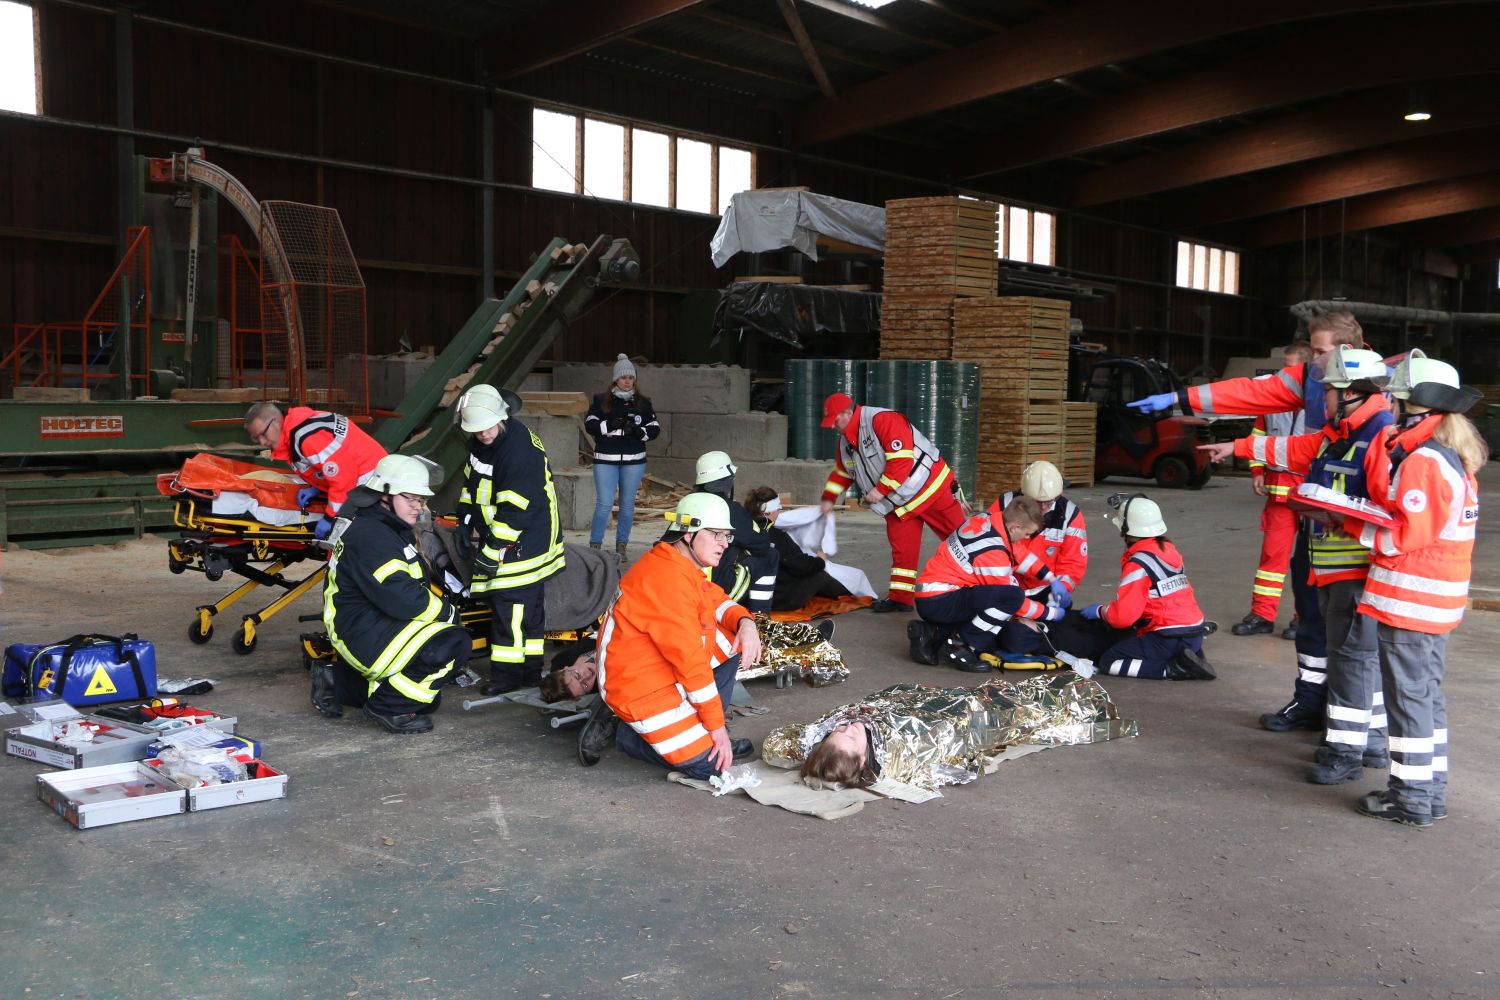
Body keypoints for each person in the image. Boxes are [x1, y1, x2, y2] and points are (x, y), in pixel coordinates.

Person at [1128, 311, 1365, 727]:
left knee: (1351, 633)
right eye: (1312, 350)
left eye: (1321, 352)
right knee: (1311, 617)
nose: (1314, 361)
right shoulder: (1312, 379)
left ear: (1352, 351)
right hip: (1317, 515)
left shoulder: (1376, 390)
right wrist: (1180, 400)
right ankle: (1311, 701)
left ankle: (1350, 720)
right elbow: (1246, 393)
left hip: (1354, 530)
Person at [1201, 347, 1394, 782]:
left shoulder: (1380, 436)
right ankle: (1373, 742)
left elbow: (1389, 510)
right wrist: (1236, 446)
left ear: (1352, 393)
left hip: (1357, 569)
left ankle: (1346, 751)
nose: (1320, 397)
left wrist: (1335, 510)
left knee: (1351, 659)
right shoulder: (1339, 432)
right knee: (1356, 657)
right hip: (1332, 567)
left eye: (1327, 390)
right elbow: (1291, 448)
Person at [1350, 352, 1482, 828]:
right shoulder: (1452, 457)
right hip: (1437, 602)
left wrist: (1350, 524)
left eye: (1400, 400)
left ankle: (1409, 799)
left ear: (1420, 409)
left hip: (1411, 604)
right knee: (1425, 697)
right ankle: (1430, 793)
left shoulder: (1424, 461)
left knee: (1407, 702)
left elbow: (1407, 536)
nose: (1393, 407)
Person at [580, 493, 764, 776]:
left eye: (727, 536)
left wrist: (746, 623)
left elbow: (715, 599)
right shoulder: (667, 581)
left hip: (654, 668)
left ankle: (693, 730)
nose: (725, 544)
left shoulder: (677, 563)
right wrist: (716, 728)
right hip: (639, 687)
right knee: (712, 766)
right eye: (716, 534)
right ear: (688, 535)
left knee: (732, 637)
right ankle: (627, 735)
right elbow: (690, 666)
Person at [766, 674, 1135, 793]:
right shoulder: (895, 756)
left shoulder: (833, 734)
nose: (846, 727)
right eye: (849, 738)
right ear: (863, 759)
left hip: (917, 701)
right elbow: (952, 760)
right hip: (956, 722)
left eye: (839, 732)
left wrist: (813, 753)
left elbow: (776, 743)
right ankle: (1085, 696)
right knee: (1016, 708)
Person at [317, 455, 471, 735]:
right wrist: (448, 613)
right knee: (452, 644)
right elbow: (403, 598)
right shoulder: (373, 536)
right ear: (384, 496)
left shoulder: (382, 528)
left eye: (421, 499)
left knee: (427, 698)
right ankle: (387, 708)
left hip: (367, 623)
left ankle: (336, 682)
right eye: (410, 498)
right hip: (361, 630)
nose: (418, 506)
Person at [453, 384, 565, 696]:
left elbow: (515, 513)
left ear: (501, 417)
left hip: (525, 539)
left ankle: (507, 676)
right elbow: (472, 483)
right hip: (520, 535)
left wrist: (489, 554)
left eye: (485, 428)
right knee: (527, 611)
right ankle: (530, 672)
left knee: (510, 608)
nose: (481, 435)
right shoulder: (485, 443)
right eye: (475, 430)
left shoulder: (519, 453)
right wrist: (464, 520)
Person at [818, 392, 966, 612]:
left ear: (848, 413)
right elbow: (843, 472)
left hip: (931, 491)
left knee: (962, 542)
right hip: (899, 505)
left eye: (835, 421)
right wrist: (828, 499)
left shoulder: (882, 419)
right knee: (902, 553)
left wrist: (880, 490)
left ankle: (984, 583)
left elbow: (901, 461)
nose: (832, 427)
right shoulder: (845, 442)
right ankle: (901, 599)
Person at [1049, 493, 1216, 681]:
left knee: (1110, 661)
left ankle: (1174, 668)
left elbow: (1123, 618)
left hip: (1168, 637)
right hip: (1193, 633)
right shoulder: (1167, 549)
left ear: (1125, 530)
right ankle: (1190, 656)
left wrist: (1100, 611)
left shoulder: (1138, 564)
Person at [911, 495, 1065, 671]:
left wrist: (1050, 578)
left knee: (990, 622)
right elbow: (1012, 601)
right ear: (1015, 527)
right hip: (940, 600)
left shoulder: (989, 520)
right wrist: (1050, 614)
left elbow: (1018, 552)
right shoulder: (993, 552)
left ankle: (930, 634)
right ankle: (962, 646)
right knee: (1010, 598)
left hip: (934, 594)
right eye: (1027, 533)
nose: (1026, 538)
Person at [1233, 341, 1313, 638]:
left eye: (1289, 367)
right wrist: (1256, 469)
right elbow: (1258, 435)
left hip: (1309, 493)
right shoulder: (1273, 398)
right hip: (1279, 493)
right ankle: (1261, 615)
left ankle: (1303, 618)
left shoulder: (1321, 400)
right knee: (1271, 560)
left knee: (1308, 560)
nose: (1284, 373)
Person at [244, 400, 387, 540]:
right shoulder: (296, 429)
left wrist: (330, 517)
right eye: (257, 439)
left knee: (353, 540)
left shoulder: (307, 438)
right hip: (369, 473)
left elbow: (344, 476)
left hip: (370, 479)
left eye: (263, 434)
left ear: (275, 421)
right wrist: (316, 487)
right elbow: (328, 465)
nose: (262, 442)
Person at [990, 460, 1088, 654]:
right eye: (1036, 502)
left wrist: (1061, 591)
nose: (1043, 507)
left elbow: (1073, 564)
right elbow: (991, 550)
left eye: (1048, 502)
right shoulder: (1003, 505)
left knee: (1051, 629)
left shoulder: (1069, 515)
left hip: (1044, 591)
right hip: (1006, 587)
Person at [585, 354, 660, 563]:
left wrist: (638, 431)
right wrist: (610, 425)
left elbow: (655, 429)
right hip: (605, 459)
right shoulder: (601, 401)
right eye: (623, 377)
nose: (627, 381)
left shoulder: (643, 403)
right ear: (615, 379)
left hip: (633, 460)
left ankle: (622, 546)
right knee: (604, 504)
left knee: (627, 505)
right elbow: (589, 424)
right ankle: (596, 546)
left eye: (630, 377)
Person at [693, 451, 779, 613]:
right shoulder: (730, 510)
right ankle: (760, 618)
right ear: (727, 481)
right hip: (711, 590)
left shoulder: (686, 504)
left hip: (684, 584)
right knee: (770, 555)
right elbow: (761, 545)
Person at [743, 486, 852, 612]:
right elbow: (801, 566)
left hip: (744, 596)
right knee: (819, 576)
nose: (779, 513)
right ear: (770, 512)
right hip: (776, 599)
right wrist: (820, 561)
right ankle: (849, 593)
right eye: (778, 509)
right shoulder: (777, 536)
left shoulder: (740, 530)